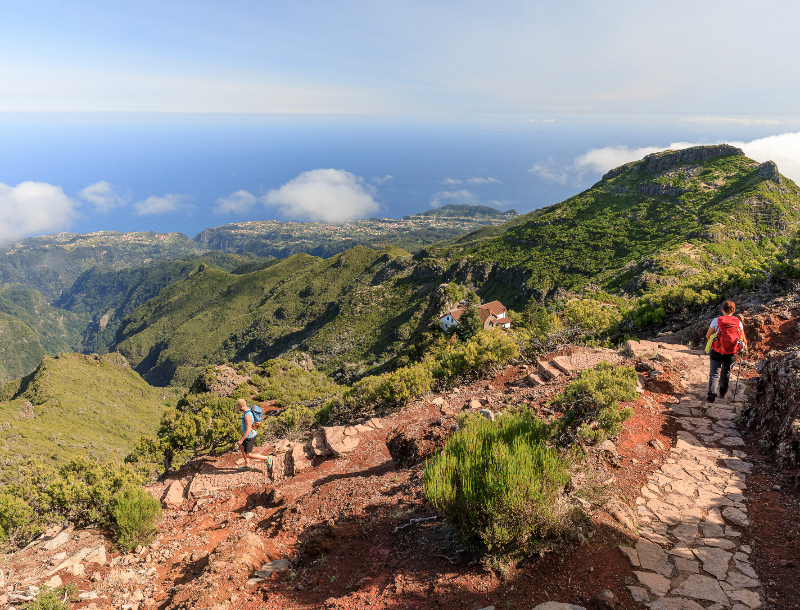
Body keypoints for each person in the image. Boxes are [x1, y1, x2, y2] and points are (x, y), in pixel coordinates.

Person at [705, 300, 747, 404]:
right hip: (731, 353)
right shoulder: (738, 322)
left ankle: (711, 397)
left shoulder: (716, 321)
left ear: (722, 309)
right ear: (734, 310)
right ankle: (723, 392)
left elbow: (708, 336)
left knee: (714, 373)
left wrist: (717, 338)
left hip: (717, 351)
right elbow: (743, 339)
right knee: (726, 372)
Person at [236, 398, 271, 470]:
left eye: (238, 406)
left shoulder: (247, 416)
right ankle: (247, 465)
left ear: (241, 406)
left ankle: (267, 458)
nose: (237, 407)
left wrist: (241, 440)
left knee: (248, 454)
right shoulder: (248, 409)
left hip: (249, 436)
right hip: (247, 435)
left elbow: (249, 429)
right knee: (242, 449)